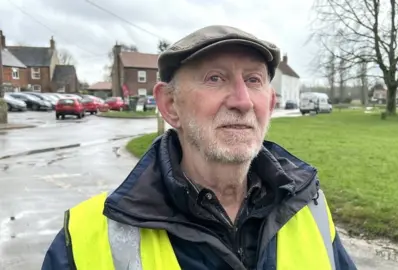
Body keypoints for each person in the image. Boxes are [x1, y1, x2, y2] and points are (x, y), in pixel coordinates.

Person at [41, 25, 357, 270]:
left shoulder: (308, 207)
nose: (242, 101)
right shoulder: (86, 239)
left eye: (254, 80)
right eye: (215, 78)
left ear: (270, 104)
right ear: (170, 104)